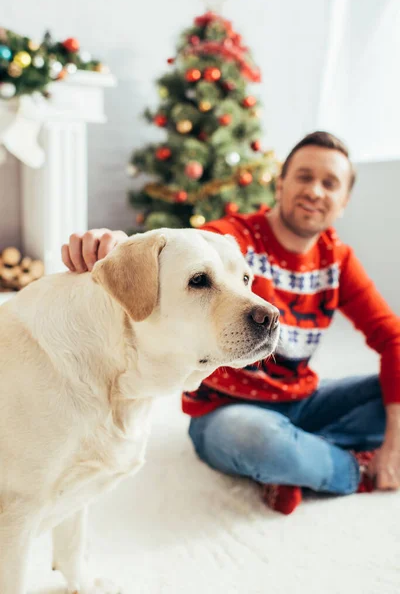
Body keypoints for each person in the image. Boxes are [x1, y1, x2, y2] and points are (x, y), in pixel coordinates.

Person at [62, 131, 400, 515]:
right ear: (281, 183)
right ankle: (350, 468)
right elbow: (180, 248)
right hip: (227, 415)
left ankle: (296, 462)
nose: (315, 191)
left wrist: (396, 440)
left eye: (330, 183)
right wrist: (120, 246)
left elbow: (392, 337)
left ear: (343, 202)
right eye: (304, 176)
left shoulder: (336, 259)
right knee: (259, 442)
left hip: (303, 400)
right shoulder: (231, 241)